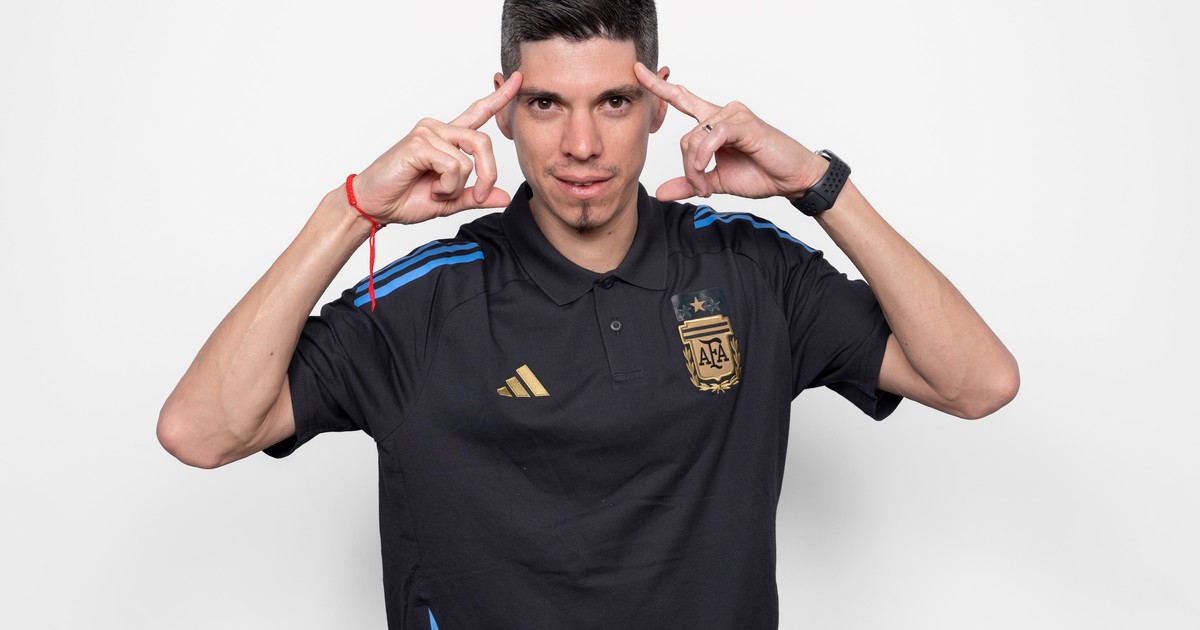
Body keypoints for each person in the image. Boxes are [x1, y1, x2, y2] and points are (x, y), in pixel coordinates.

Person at [158, 1, 1018, 628]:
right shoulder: (425, 301)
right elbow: (201, 431)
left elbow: (977, 382)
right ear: (504, 107)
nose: (581, 145)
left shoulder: (751, 269)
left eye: (613, 101)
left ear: (658, 103)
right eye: (546, 104)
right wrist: (351, 211)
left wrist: (817, 185)